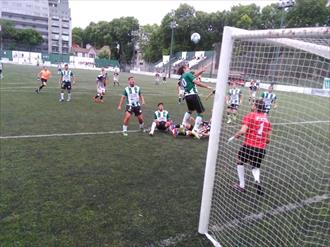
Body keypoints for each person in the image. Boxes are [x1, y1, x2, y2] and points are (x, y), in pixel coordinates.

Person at [232, 99, 272, 195]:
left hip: (249, 146)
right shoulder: (267, 120)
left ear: (256, 107)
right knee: (255, 166)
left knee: (239, 161)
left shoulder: (250, 115)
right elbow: (268, 140)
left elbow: (243, 131)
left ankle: (241, 185)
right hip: (261, 149)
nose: (252, 105)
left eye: (253, 104)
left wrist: (236, 135)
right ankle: (257, 180)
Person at [177, 64, 213, 139]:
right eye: (187, 67)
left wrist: (202, 70)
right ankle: (195, 130)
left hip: (187, 96)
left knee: (190, 110)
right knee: (200, 113)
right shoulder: (187, 74)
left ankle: (183, 125)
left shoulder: (183, 76)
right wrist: (207, 87)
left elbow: (195, 74)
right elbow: (197, 82)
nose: (189, 68)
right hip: (193, 95)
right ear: (184, 69)